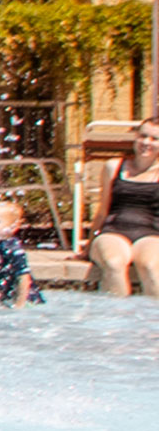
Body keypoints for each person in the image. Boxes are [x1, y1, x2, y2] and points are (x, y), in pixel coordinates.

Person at [86, 119, 159, 297]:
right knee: (114, 263)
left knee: (150, 267)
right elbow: (103, 211)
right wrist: (88, 245)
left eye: (154, 139)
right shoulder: (114, 167)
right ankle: (119, 320)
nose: (146, 142)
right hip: (114, 231)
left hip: (150, 234)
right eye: (143, 136)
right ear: (135, 137)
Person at [0, 200, 46, 307]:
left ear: (14, 227)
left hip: (28, 302)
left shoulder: (13, 249)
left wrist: (19, 304)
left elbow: (24, 277)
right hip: (11, 297)